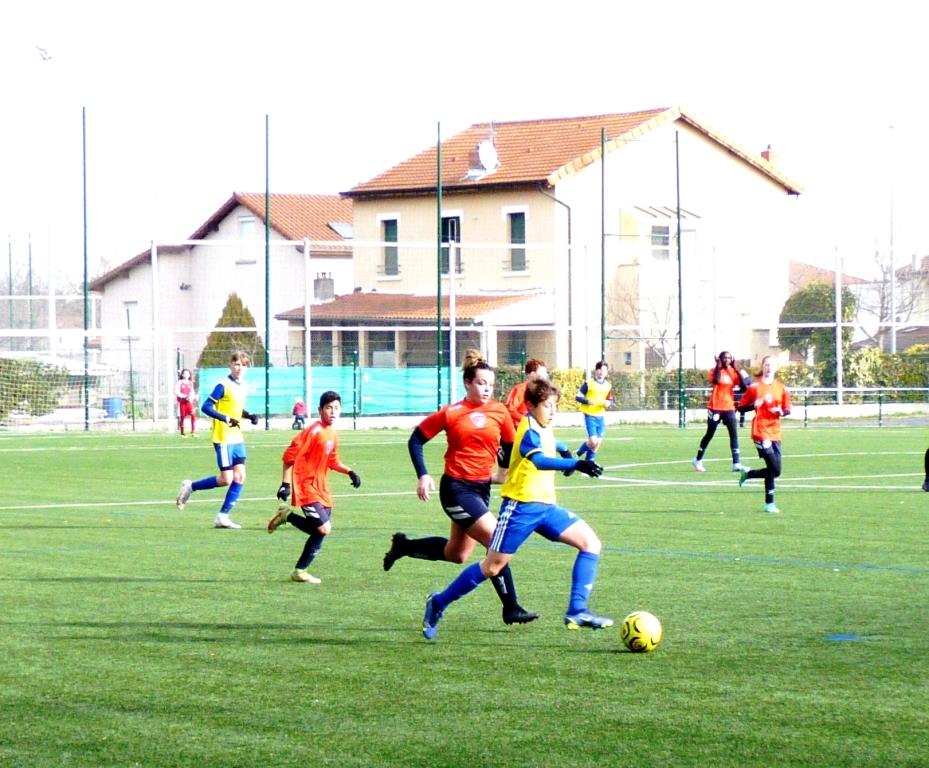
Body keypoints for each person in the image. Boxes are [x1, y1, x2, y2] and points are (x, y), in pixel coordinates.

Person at [420, 378, 610, 641]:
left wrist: (565, 451)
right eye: (547, 406)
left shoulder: (544, 425)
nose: (553, 411)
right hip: (520, 509)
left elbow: (552, 443)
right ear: (530, 406)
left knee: (591, 544)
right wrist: (575, 464)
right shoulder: (528, 429)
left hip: (546, 508)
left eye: (555, 406)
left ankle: (577, 610)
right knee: (491, 567)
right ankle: (438, 603)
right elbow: (539, 460)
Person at [382, 349, 538, 626]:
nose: (487, 389)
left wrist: (504, 472)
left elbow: (509, 446)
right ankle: (511, 607)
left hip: (480, 490)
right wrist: (423, 475)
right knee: (496, 541)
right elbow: (416, 440)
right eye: (481, 383)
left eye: (491, 384)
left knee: (457, 554)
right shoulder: (452, 412)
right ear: (467, 383)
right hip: (456, 489)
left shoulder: (499, 411)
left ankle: (404, 546)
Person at [267, 391, 362, 583]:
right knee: (324, 528)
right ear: (320, 410)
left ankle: (300, 571)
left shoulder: (332, 433)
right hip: (306, 487)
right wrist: (285, 484)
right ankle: (288, 516)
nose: (333, 412)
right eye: (329, 408)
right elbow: (288, 457)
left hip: (322, 488)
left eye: (336, 408)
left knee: (319, 531)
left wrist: (350, 471)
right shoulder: (313, 431)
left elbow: (333, 460)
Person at [175, 350, 260, 529]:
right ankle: (191, 487)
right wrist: (225, 419)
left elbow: (235, 408)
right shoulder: (223, 385)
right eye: (236, 364)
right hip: (223, 437)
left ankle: (223, 516)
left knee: (240, 476)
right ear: (230, 365)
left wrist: (249, 415)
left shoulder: (243, 386)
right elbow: (206, 407)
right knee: (226, 479)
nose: (240, 368)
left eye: (243, 365)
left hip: (237, 437)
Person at [736, 355, 792, 513]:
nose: (768, 368)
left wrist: (781, 411)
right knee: (774, 468)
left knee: (775, 470)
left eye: (771, 365)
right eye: (766, 365)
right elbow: (740, 407)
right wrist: (754, 405)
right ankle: (770, 503)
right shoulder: (755, 387)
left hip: (775, 432)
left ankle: (750, 475)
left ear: (776, 368)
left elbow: (787, 409)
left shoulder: (781, 388)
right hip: (760, 431)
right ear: (763, 367)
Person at [692, 351, 750, 473]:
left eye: (729, 358)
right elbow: (716, 381)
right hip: (715, 407)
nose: (727, 360)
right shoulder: (714, 370)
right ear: (720, 359)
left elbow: (744, 387)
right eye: (724, 358)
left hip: (729, 407)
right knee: (710, 434)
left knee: (733, 434)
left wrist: (736, 369)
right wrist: (718, 366)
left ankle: (736, 463)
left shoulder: (732, 371)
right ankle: (698, 460)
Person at [576, 361, 613, 462]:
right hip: (590, 415)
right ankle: (579, 452)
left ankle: (589, 462)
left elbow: (610, 399)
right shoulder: (589, 383)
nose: (602, 372)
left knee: (598, 443)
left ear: (607, 372)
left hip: (601, 416)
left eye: (604, 370)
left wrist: (609, 403)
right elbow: (578, 396)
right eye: (600, 369)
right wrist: (587, 401)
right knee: (593, 441)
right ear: (596, 370)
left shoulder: (608, 385)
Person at [503, 358, 548, 429]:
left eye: (545, 373)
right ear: (531, 374)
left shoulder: (545, 391)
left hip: (537, 428)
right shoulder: (520, 389)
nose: (544, 375)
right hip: (520, 429)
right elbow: (510, 409)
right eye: (541, 373)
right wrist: (526, 420)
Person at [175, 368, 197, 437]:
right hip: (182, 402)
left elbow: (192, 392)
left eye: (187, 373)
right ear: (182, 375)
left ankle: (193, 431)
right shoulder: (180, 382)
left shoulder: (190, 383)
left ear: (189, 375)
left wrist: (193, 397)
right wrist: (184, 396)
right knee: (182, 417)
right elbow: (176, 392)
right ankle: (182, 432)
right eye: (185, 373)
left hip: (189, 402)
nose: (186, 375)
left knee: (193, 415)